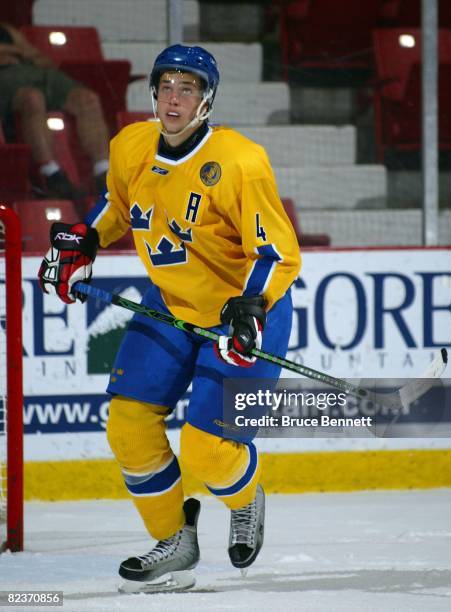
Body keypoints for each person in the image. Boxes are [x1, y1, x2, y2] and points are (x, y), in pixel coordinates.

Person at [38, 44, 301, 592]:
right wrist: (85, 243)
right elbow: (117, 206)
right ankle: (175, 543)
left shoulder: (239, 161)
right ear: (153, 93)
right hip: (169, 306)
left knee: (208, 452)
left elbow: (276, 253)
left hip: (242, 316)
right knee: (128, 426)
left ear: (207, 101)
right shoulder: (132, 144)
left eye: (187, 88)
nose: (173, 98)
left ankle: (245, 498)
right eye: (165, 86)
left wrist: (249, 311)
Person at [0, 22, 110, 200]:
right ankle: (52, 175)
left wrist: (10, 51)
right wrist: (16, 52)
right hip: (5, 77)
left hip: (38, 73)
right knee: (32, 99)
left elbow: (42, 60)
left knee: (88, 99)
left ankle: (103, 172)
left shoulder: (7, 30)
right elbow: (24, 53)